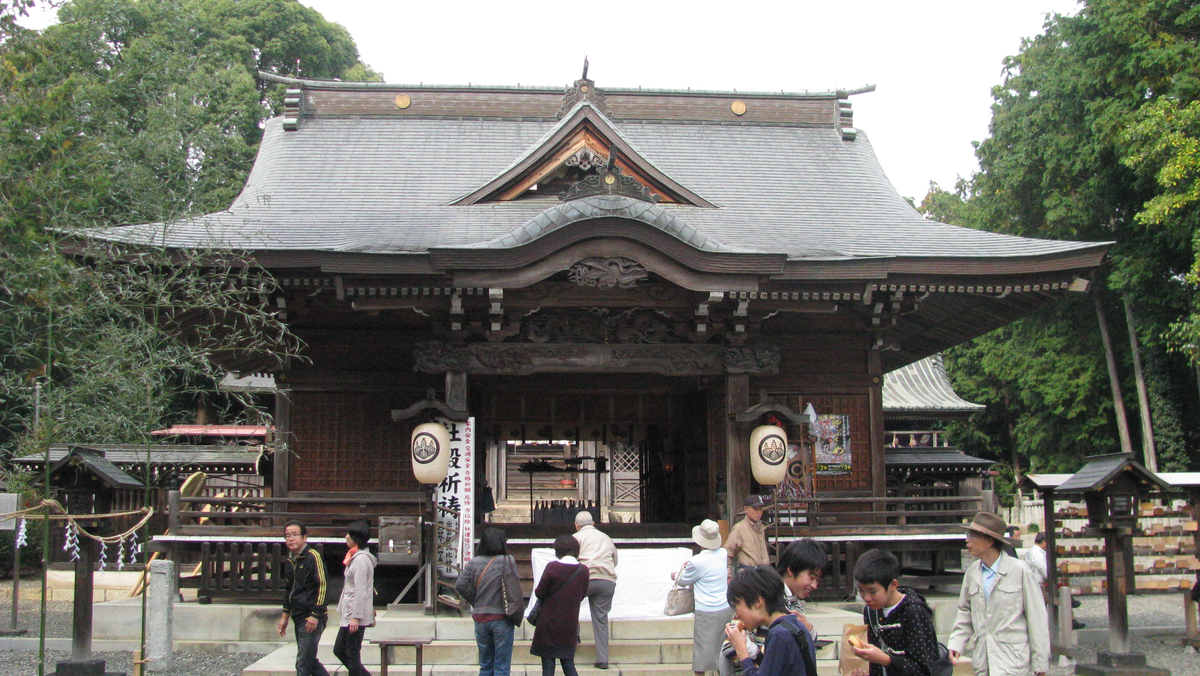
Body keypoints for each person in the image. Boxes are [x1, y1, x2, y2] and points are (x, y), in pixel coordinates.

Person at [948, 512, 1049, 676]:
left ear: (989, 541)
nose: (967, 540)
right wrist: (956, 643)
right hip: (984, 661)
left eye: (972, 535)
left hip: (1013, 662)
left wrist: (1040, 664)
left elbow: (1037, 619)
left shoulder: (1020, 571)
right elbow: (965, 611)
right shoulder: (972, 573)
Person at [848, 549, 939, 676]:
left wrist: (886, 659)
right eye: (861, 590)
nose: (867, 597)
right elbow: (876, 664)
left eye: (872, 591)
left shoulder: (914, 611)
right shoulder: (871, 611)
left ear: (893, 585)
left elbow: (923, 668)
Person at [723, 565, 815, 676]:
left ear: (757, 601)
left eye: (737, 605)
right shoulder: (795, 626)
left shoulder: (778, 634)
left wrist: (742, 650)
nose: (737, 614)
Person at [457, 527, 524, 676]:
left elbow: (460, 584)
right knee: (502, 666)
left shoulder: (474, 562)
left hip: (481, 617)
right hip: (502, 617)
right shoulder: (508, 560)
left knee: (486, 665)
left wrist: (476, 600)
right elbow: (514, 585)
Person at [674, 519, 733, 676]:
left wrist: (676, 574)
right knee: (723, 649)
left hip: (706, 610)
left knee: (702, 651)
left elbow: (682, 580)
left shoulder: (696, 561)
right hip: (725, 607)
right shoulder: (723, 553)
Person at [530, 534, 591, 676]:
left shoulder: (552, 567)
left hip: (548, 623)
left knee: (548, 667)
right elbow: (582, 594)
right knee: (568, 664)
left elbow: (540, 593)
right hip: (569, 624)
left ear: (558, 550)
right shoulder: (583, 571)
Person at [277, 520, 330, 676]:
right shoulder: (290, 561)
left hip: (311, 616)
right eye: (287, 536)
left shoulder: (313, 557)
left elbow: (323, 586)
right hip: (298, 615)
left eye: (295, 535)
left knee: (303, 664)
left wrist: (316, 614)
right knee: (309, 660)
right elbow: (289, 590)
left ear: (304, 537)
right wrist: (285, 615)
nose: (291, 539)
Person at [574, 511, 618, 669]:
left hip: (583, 579)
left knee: (571, 608)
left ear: (576, 525)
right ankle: (602, 658)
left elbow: (570, 561)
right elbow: (615, 560)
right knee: (600, 619)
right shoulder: (606, 537)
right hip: (606, 580)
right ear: (593, 524)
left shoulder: (576, 537)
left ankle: (573, 638)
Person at [334, 520, 376, 676]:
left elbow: (360, 590)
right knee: (340, 650)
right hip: (350, 612)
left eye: (349, 535)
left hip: (355, 614)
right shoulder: (356, 557)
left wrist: (355, 617)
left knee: (352, 654)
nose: (346, 537)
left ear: (356, 538)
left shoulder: (360, 560)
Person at [724, 495, 771, 575]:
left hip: (764, 574)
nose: (759, 512)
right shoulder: (739, 529)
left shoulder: (761, 528)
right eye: (755, 509)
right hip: (748, 575)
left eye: (760, 509)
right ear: (746, 509)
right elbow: (726, 553)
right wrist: (728, 575)